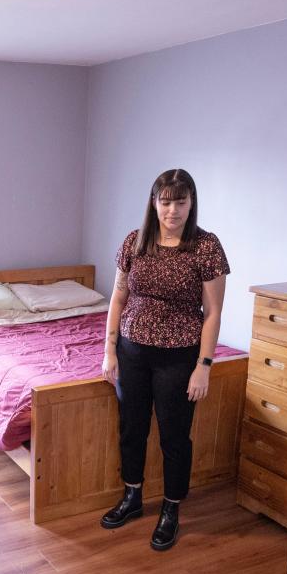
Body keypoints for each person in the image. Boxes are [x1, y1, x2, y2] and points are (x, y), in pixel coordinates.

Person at [99, 169, 229, 550]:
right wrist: (109, 349)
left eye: (181, 202)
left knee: (174, 437)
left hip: (179, 357)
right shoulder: (134, 242)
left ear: (192, 203)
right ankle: (132, 496)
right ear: (154, 203)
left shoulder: (205, 247)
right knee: (132, 428)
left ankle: (171, 508)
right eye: (165, 201)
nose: (172, 210)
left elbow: (214, 312)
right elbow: (118, 298)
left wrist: (204, 366)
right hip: (132, 351)